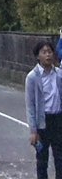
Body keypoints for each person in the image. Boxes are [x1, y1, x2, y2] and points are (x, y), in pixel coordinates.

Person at [25, 39, 62, 179]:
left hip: (58, 120)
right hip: (42, 122)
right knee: (42, 160)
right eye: (44, 52)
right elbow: (30, 105)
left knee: (60, 159)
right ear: (38, 56)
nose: (48, 55)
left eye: (50, 52)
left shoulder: (59, 74)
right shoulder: (32, 77)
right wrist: (33, 131)